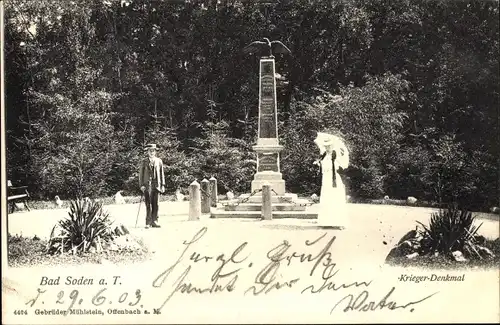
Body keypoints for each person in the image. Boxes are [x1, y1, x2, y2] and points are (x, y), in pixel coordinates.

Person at [314, 138, 348, 229]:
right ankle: (326, 222)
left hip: (334, 179)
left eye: (329, 146)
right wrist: (318, 163)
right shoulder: (324, 155)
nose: (327, 147)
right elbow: (323, 166)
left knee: (335, 199)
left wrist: (338, 158)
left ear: (332, 146)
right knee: (326, 199)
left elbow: (342, 165)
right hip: (325, 179)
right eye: (326, 146)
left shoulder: (335, 154)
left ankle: (339, 222)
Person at [139, 144, 165, 228]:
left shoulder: (159, 161)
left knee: (156, 204)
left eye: (153, 150)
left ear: (155, 151)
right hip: (147, 185)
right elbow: (141, 174)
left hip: (157, 185)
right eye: (150, 150)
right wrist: (141, 185)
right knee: (148, 204)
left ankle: (155, 221)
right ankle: (148, 222)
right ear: (147, 152)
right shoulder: (144, 161)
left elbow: (162, 174)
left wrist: (163, 185)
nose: (151, 152)